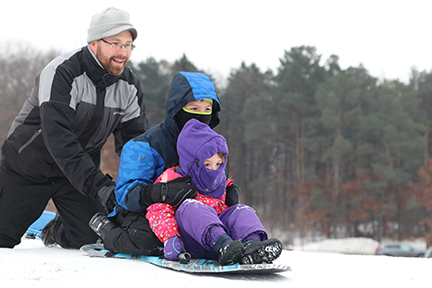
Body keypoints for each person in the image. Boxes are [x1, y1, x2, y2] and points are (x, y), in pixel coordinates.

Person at [0, 7, 149, 249]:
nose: (123, 52)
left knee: (91, 239)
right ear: (93, 44)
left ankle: (56, 228)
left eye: (128, 45)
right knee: (2, 240)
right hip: (27, 168)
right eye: (115, 44)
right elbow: (58, 139)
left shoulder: (130, 86)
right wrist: (99, 185)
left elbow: (136, 144)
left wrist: (148, 186)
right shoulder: (62, 72)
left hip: (75, 177)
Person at [89, 71, 240, 256]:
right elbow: (125, 195)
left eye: (206, 110)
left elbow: (214, 178)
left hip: (192, 212)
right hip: (145, 211)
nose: (201, 117)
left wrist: (226, 190)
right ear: (177, 109)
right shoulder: (145, 145)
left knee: (231, 223)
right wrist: (159, 192)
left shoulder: (210, 145)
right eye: (193, 109)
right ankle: (106, 230)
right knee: (148, 241)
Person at [147, 119, 283, 265]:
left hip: (229, 242)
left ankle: (252, 247)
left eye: (218, 164)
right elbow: (157, 211)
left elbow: (227, 215)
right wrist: (170, 238)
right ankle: (223, 246)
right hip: (191, 241)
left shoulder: (221, 182)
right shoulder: (172, 179)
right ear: (190, 161)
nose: (214, 170)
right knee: (192, 207)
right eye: (207, 164)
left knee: (242, 211)